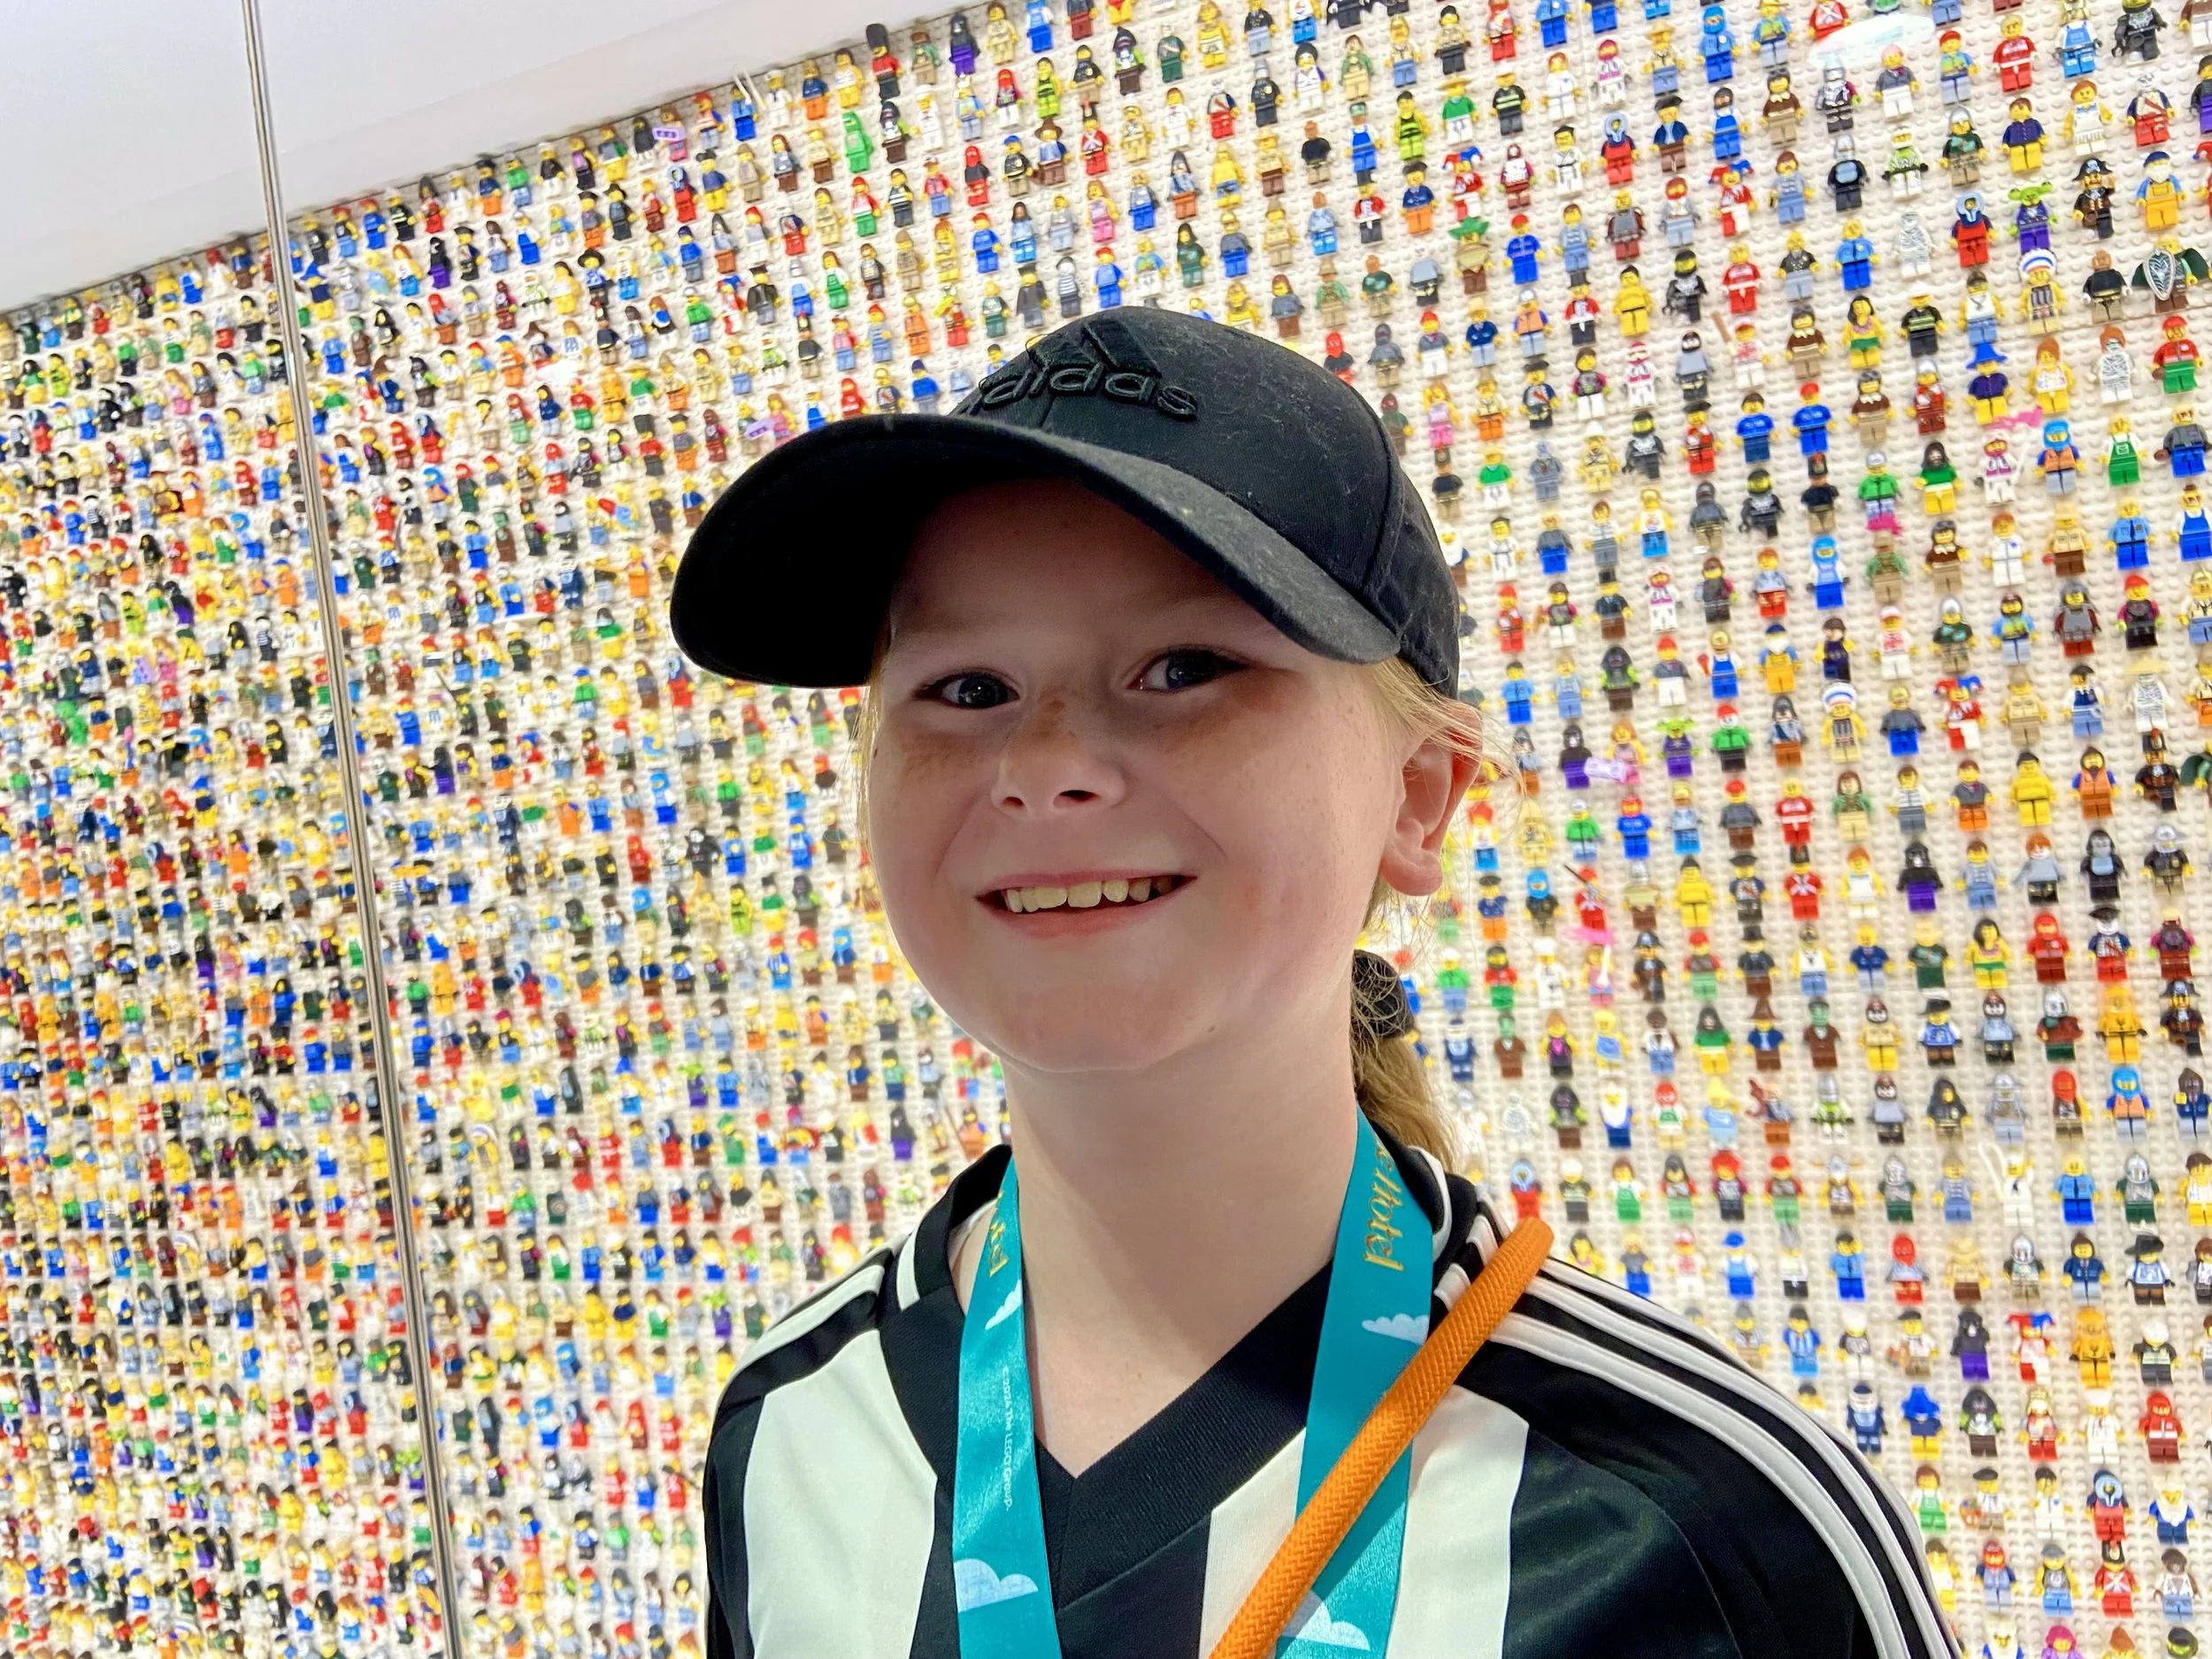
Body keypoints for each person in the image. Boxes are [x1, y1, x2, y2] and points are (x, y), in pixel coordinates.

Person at [676, 308, 1947, 1658]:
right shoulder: (788, 1439)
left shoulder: (1701, 1530)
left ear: (1418, 793)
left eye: (1185, 668)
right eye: (968, 686)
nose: (1045, 765)